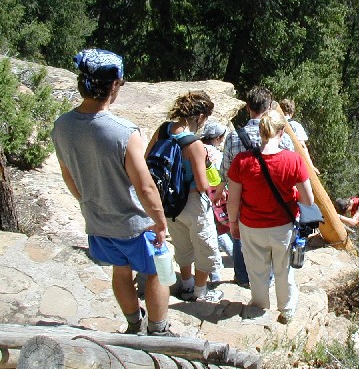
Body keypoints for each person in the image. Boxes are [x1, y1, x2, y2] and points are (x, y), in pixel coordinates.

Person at [52, 48, 176, 336]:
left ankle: (134, 325)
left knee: (120, 270)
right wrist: (160, 221)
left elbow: (68, 176)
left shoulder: (62, 126)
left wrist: (87, 202)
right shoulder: (123, 132)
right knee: (158, 271)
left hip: (97, 221)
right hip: (134, 223)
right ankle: (158, 331)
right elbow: (145, 186)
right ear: (114, 85)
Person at [226, 110, 314, 324]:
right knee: (283, 269)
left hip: (251, 225)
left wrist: (232, 222)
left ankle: (259, 305)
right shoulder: (293, 160)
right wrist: (293, 196)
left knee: (256, 270)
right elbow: (308, 200)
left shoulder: (242, 161)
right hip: (283, 226)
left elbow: (233, 200)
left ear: (261, 131)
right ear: (281, 132)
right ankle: (287, 308)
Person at [146, 91, 223, 302]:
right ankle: (200, 291)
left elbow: (146, 159)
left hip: (168, 202)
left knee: (181, 245)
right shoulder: (194, 143)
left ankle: (187, 285)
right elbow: (202, 184)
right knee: (204, 247)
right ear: (200, 116)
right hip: (192, 202)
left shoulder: (163, 130)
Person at [215, 86, 295, 288]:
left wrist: (219, 190)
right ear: (270, 107)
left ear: (247, 107)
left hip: (243, 199)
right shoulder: (282, 137)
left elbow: (226, 170)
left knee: (239, 237)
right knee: (270, 240)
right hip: (275, 202)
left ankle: (243, 277)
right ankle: (267, 279)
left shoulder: (234, 137)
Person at [200, 121, 234, 259]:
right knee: (224, 227)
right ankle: (237, 257)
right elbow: (225, 174)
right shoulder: (216, 154)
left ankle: (235, 257)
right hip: (219, 194)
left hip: (202, 194)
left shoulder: (197, 148)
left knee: (218, 228)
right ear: (218, 138)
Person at [279, 99, 320, 174]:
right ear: (292, 112)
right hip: (291, 164)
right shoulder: (295, 125)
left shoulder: (274, 123)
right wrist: (311, 166)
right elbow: (302, 147)